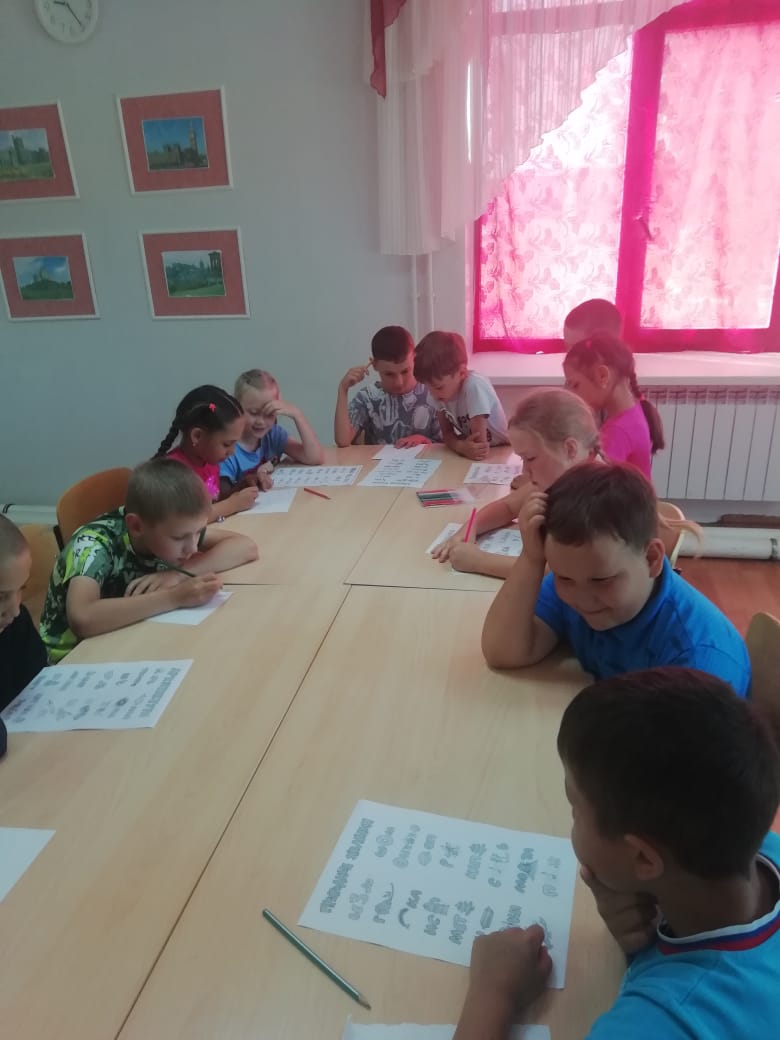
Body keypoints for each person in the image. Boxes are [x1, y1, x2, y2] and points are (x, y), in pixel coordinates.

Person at [453, 667, 780, 1040]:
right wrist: (648, 932)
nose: (571, 819)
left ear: (643, 858)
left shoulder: (663, 1020)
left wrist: (493, 991)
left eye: (575, 809)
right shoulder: (748, 839)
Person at [481, 462, 750, 696]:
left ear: (651, 559)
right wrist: (532, 559)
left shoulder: (698, 663)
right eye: (564, 578)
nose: (581, 600)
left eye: (603, 581)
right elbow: (502, 651)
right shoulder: (581, 576)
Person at [434, 389, 697, 580]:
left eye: (530, 458)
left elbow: (559, 573)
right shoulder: (558, 477)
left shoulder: (599, 500)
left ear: (570, 449)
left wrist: (479, 561)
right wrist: (468, 530)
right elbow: (507, 507)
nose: (525, 471)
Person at [39, 458, 258, 662]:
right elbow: (83, 617)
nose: (192, 547)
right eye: (179, 538)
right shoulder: (93, 544)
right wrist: (174, 597)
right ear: (136, 526)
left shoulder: (171, 527)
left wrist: (177, 575)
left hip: (126, 632)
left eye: (198, 532)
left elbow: (245, 547)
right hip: (72, 656)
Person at [563, 333, 664, 479]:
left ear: (602, 376)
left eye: (575, 385)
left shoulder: (617, 432)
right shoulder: (634, 410)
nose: (572, 394)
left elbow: (593, 484)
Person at [155, 384, 258, 523]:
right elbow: (188, 520)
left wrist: (239, 488)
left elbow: (212, 504)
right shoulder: (173, 474)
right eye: (227, 444)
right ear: (197, 436)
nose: (233, 452)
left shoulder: (210, 462)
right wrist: (233, 504)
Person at [220, 369, 324, 495]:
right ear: (236, 407)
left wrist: (297, 414)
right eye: (253, 412)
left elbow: (314, 457)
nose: (261, 421)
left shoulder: (272, 435)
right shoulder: (227, 450)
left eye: (269, 414)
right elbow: (221, 498)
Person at [334, 325, 440, 447]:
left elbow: (446, 443)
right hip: (378, 459)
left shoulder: (433, 393)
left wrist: (424, 440)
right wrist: (343, 389)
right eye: (389, 374)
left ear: (414, 359)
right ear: (374, 365)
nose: (399, 382)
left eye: (405, 371)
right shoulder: (368, 397)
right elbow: (343, 441)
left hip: (426, 458)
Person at [413, 330, 509, 459]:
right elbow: (447, 435)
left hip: (504, 448)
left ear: (462, 373)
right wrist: (460, 446)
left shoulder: (474, 386)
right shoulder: (437, 393)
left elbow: (479, 446)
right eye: (428, 388)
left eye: (439, 387)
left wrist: (460, 446)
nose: (433, 395)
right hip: (480, 451)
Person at [0, 516, 48, 753]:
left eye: (21, 589)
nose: (15, 610)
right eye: (1, 597)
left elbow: (38, 680)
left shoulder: (15, 624)